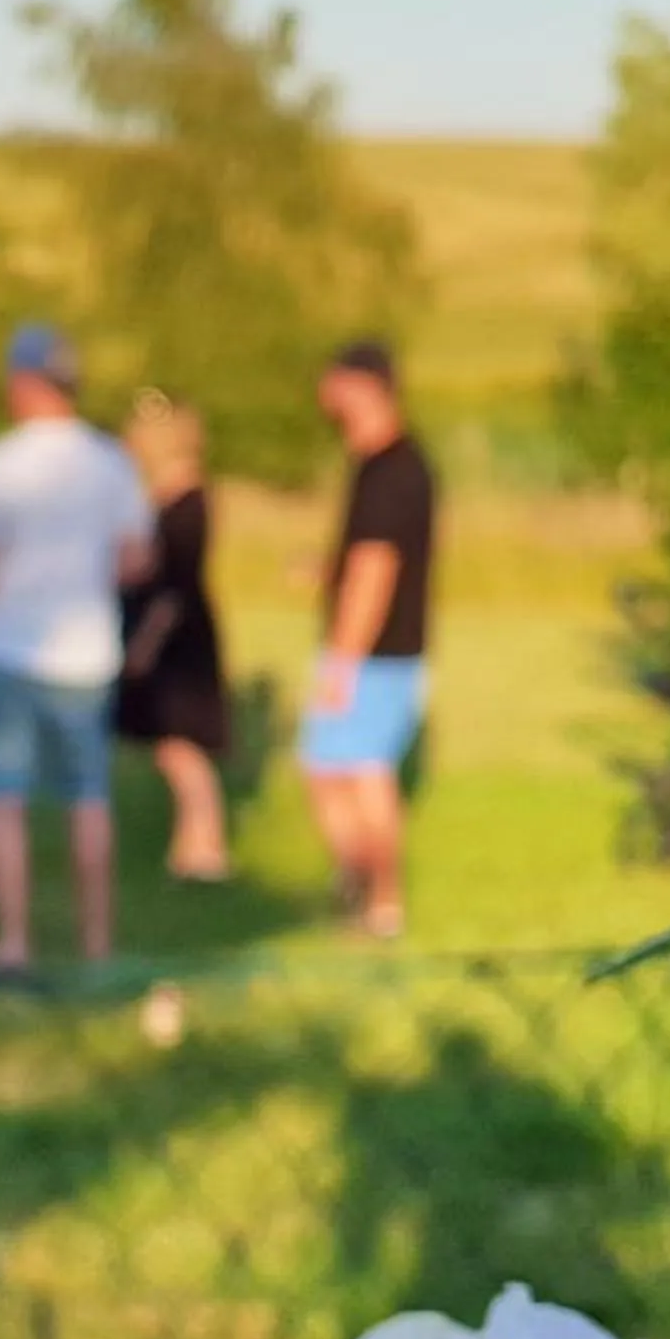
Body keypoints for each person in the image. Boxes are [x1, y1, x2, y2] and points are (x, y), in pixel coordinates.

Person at [0, 325, 155, 978]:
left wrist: (8, 580)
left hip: (12, 649)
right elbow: (135, 559)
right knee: (88, 798)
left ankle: (13, 945)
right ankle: (97, 946)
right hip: (88, 654)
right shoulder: (110, 462)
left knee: (3, 800)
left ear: (25, 384)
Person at [303, 339, 438, 940]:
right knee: (335, 768)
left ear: (362, 385)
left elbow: (376, 569)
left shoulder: (390, 471)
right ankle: (360, 883)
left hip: (375, 655)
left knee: (358, 771)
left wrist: (342, 661)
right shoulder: (390, 464)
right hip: (390, 651)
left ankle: (379, 896)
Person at [114, 390, 231, 880]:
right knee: (172, 746)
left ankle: (206, 847)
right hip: (165, 630)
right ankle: (192, 845)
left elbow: (174, 586)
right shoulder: (164, 498)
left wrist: (143, 644)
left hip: (174, 638)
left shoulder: (187, 504)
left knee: (182, 746)